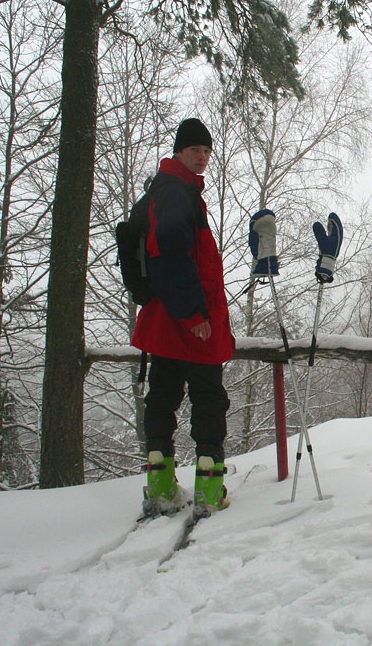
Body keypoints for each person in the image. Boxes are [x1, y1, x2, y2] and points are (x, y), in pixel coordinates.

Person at [131, 118, 236, 517]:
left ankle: (160, 486)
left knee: (163, 396)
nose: (202, 156)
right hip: (190, 322)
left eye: (207, 151)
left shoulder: (171, 190)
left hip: (167, 320)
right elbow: (170, 255)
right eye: (195, 149)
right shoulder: (176, 192)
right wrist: (195, 313)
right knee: (209, 399)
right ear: (178, 151)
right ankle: (209, 492)